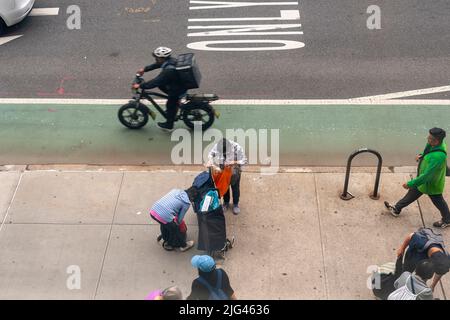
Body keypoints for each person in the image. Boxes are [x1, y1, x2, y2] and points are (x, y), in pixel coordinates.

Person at [385, 127, 450, 228]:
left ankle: (447, 220)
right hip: (422, 182)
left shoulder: (438, 157)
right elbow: (427, 153)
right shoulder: (433, 144)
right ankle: (397, 209)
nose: (427, 138)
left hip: (431, 184)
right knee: (411, 194)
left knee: (439, 201)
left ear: (436, 141)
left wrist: (411, 183)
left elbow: (427, 176)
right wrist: (421, 156)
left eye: (430, 138)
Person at [134, 47, 186, 131]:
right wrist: (144, 69)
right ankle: (175, 101)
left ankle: (169, 125)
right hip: (178, 83)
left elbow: (155, 82)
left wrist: (140, 86)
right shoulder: (170, 61)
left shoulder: (168, 71)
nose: (155, 59)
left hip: (178, 88)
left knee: (170, 104)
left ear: (162, 58)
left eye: (156, 58)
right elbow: (157, 64)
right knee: (162, 86)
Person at [206, 138, 248, 215]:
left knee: (235, 187)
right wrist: (210, 161)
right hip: (223, 168)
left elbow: (245, 161)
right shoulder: (218, 146)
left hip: (234, 170)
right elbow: (210, 154)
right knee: (225, 186)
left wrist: (234, 162)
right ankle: (226, 202)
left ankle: (235, 204)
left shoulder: (237, 148)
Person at [150, 187, 198, 252]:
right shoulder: (186, 203)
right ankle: (183, 245)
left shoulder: (176, 191)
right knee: (175, 229)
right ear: (192, 198)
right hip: (164, 215)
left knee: (164, 223)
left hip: (153, 210)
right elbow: (179, 219)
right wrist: (178, 224)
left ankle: (165, 237)